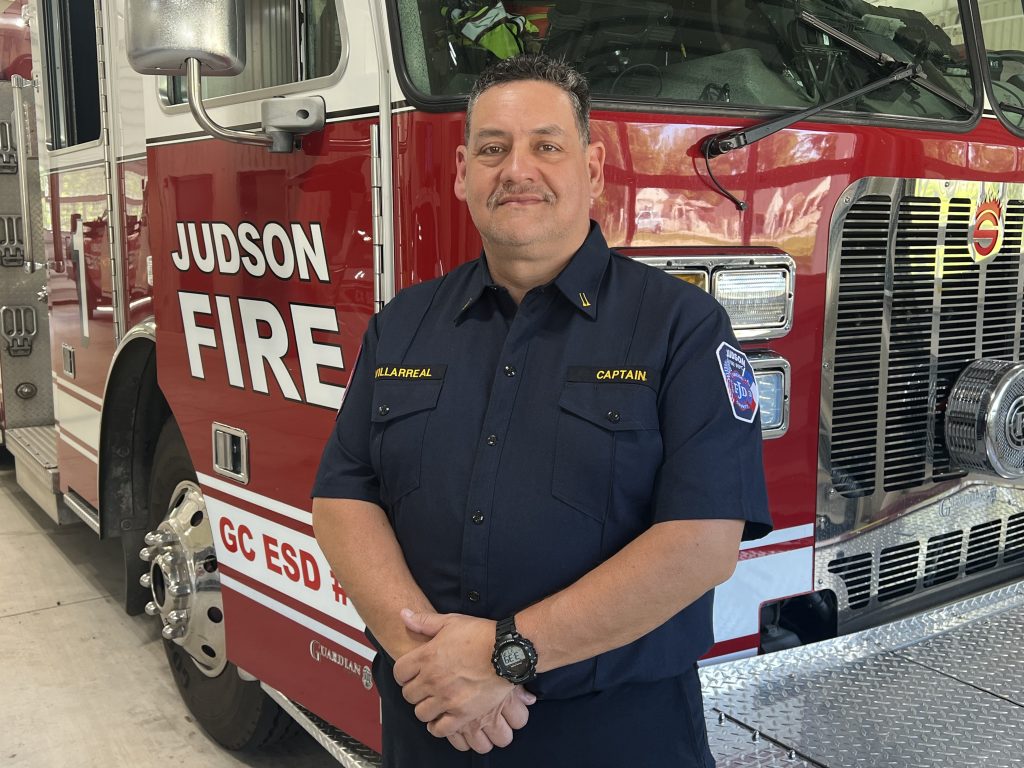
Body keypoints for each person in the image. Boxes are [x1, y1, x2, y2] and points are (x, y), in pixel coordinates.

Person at [311, 53, 772, 767]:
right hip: (431, 727)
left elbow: (702, 541)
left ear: (591, 171)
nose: (517, 169)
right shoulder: (401, 324)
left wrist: (502, 656)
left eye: (546, 146)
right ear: (462, 173)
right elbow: (344, 496)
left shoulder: (681, 325)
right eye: (493, 149)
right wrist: (434, 669)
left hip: (617, 738)